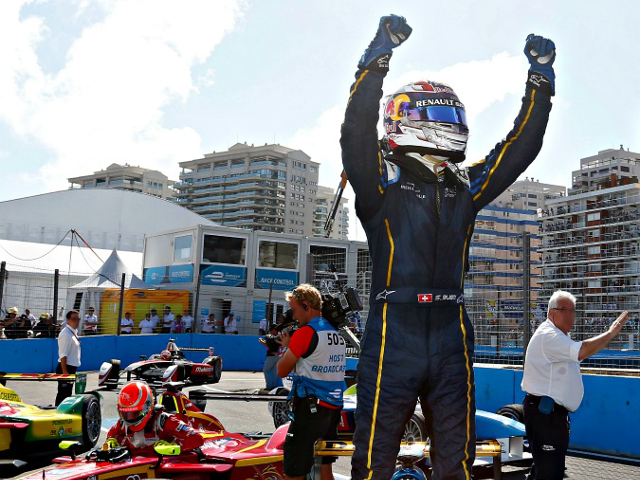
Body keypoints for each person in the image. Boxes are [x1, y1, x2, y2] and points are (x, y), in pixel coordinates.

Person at [342, 15, 556, 480]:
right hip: (391, 328)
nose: (449, 124)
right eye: (439, 115)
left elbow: (519, 149)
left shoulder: (464, 187)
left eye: (452, 115)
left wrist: (540, 83)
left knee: (455, 458)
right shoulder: (380, 180)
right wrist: (376, 61)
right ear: (407, 119)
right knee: (374, 455)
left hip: (451, 331)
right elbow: (356, 133)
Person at [522, 291, 629, 480]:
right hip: (545, 415)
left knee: (545, 470)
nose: (571, 314)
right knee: (549, 473)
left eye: (572, 310)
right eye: (565, 310)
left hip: (551, 415)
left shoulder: (559, 336)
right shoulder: (549, 335)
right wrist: (611, 333)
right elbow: (582, 351)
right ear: (551, 313)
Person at [276, 284, 346, 480]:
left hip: (310, 409)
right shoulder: (335, 333)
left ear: (306, 306)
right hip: (333, 408)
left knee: (294, 470)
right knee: (325, 469)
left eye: (295, 309)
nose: (294, 315)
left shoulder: (305, 333)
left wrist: (289, 347)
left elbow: (281, 370)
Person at [104, 380, 205, 454]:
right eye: (125, 414)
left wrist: (174, 447)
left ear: (147, 408)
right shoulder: (122, 423)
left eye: (134, 414)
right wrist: (110, 440)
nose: (129, 419)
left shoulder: (164, 421)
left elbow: (197, 439)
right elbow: (111, 434)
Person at [56, 310, 82, 406]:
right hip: (66, 368)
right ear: (67, 320)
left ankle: (64, 413)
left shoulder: (72, 332)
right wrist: (65, 373)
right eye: (73, 319)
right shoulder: (66, 334)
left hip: (71, 368)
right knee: (63, 394)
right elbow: (63, 355)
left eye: (78, 319)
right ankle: (58, 413)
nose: (76, 321)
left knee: (67, 394)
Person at [260, 326, 283, 390]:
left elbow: (268, 344)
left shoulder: (271, 337)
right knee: (274, 371)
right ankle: (274, 387)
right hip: (278, 355)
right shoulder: (279, 337)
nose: (270, 331)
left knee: (266, 370)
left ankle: (269, 386)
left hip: (271, 355)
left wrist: (262, 341)